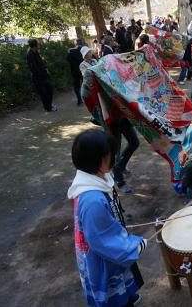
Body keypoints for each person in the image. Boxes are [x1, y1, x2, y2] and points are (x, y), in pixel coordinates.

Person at [68, 130, 146, 307]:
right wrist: (134, 246)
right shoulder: (92, 200)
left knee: (124, 274)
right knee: (113, 284)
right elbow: (103, 241)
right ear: (99, 160)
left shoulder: (95, 176)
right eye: (110, 155)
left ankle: (127, 296)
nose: (113, 158)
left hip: (111, 240)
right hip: (104, 254)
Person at [26, 39, 56, 112]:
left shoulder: (35, 52)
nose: (39, 46)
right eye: (38, 44)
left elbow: (41, 62)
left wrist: (46, 69)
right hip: (38, 77)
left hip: (43, 75)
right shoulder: (30, 54)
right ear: (35, 46)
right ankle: (48, 108)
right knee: (43, 93)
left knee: (49, 90)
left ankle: (48, 105)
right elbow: (34, 67)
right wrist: (43, 73)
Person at [67, 39, 84, 106]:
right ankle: (87, 98)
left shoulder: (71, 51)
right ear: (82, 43)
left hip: (74, 71)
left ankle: (79, 100)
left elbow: (67, 59)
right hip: (83, 70)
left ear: (75, 44)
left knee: (76, 86)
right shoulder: (84, 50)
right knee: (85, 84)